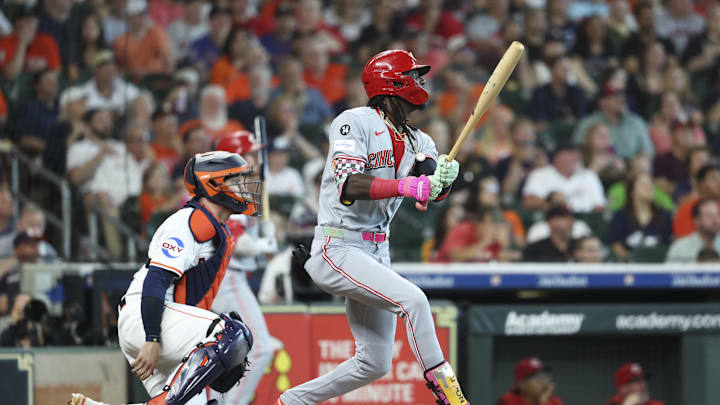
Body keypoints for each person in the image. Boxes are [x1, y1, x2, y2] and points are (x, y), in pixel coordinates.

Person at [277, 50, 468, 405]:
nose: (421, 82)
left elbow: (428, 193)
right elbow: (348, 182)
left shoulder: (419, 141)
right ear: (392, 82)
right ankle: (451, 396)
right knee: (415, 301)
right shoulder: (355, 121)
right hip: (338, 246)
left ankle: (293, 401)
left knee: (374, 363)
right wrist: (407, 186)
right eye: (413, 75)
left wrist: (442, 182)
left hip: (377, 250)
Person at [70, 151, 258, 405]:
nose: (243, 188)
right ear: (213, 183)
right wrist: (152, 338)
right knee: (229, 333)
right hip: (147, 318)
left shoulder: (213, 225)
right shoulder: (190, 221)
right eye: (235, 180)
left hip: (159, 322)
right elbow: (157, 279)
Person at [209, 132, 278, 405]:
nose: (256, 159)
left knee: (226, 353)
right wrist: (265, 244)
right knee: (260, 348)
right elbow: (240, 244)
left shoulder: (240, 189)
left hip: (224, 280)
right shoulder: (229, 190)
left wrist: (266, 232)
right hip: (227, 280)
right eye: (250, 154)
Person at [572, 79, 653, 159]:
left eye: (622, 95)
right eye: (615, 96)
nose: (621, 99)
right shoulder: (588, 123)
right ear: (602, 102)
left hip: (633, 167)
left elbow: (648, 151)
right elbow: (578, 151)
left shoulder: (636, 122)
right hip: (600, 166)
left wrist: (640, 161)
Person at [522, 143, 605, 213]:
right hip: (551, 219)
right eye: (571, 154)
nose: (576, 158)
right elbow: (528, 202)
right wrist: (550, 202)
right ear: (557, 157)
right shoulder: (540, 174)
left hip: (585, 220)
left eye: (577, 154)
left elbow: (599, 206)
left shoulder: (589, 176)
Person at [610, 173, 673, 261]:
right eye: (643, 185)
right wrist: (634, 261)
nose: (649, 188)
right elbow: (616, 245)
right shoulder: (620, 216)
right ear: (631, 191)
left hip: (658, 265)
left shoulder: (664, 215)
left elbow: (668, 245)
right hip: (629, 266)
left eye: (651, 185)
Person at [61, 50, 139, 115]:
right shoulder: (81, 92)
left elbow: (142, 100)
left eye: (112, 65)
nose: (109, 69)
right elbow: (65, 99)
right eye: (104, 65)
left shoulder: (126, 89)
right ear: (95, 70)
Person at [112, 0, 172, 80]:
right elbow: (119, 69)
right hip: (133, 83)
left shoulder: (156, 32)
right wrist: (132, 73)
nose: (143, 17)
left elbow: (169, 60)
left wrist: (168, 80)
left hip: (158, 80)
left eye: (145, 13)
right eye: (139, 15)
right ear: (130, 18)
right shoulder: (121, 41)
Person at [0, 5, 61, 81]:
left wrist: (43, 71)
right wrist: (22, 44)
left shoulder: (47, 41)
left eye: (34, 21)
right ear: (17, 23)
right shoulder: (5, 42)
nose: (32, 25)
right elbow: (10, 75)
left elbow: (56, 71)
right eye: (28, 21)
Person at [673, 164, 720, 237]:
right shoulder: (687, 210)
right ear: (701, 184)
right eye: (714, 179)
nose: (719, 182)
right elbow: (683, 242)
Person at [498, 357, 563, 405]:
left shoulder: (555, 401)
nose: (543, 382)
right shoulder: (508, 401)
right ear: (522, 384)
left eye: (545, 376)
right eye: (537, 378)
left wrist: (544, 401)